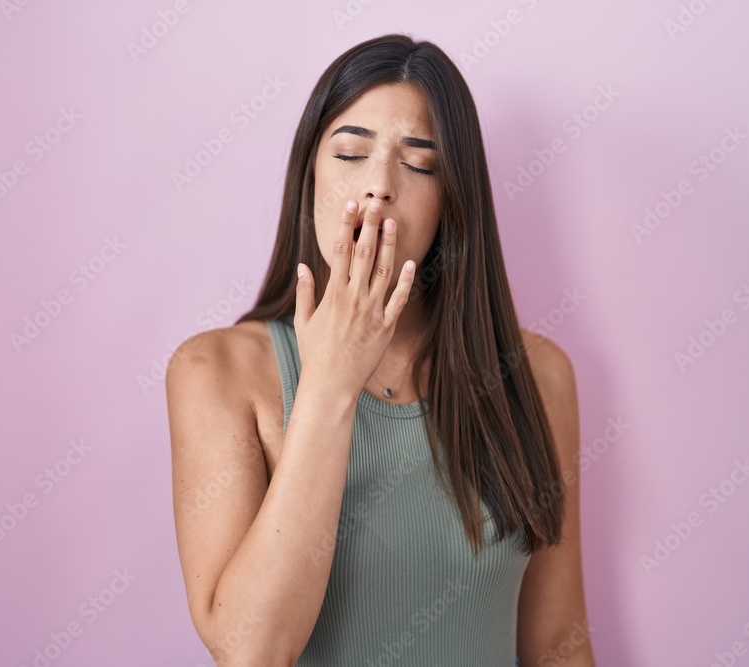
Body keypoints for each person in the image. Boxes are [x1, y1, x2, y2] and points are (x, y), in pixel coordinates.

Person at [166, 33, 595, 666]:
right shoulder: (216, 372)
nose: (378, 189)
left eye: (420, 163)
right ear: (309, 176)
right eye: (350, 153)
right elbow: (252, 650)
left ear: (453, 199)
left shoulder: (538, 377)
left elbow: (558, 644)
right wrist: (332, 384)